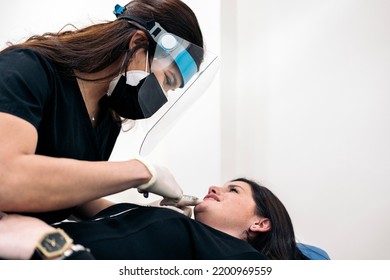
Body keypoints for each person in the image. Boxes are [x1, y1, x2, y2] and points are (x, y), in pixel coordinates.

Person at [0, 0, 212, 224]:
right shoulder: (28, 69)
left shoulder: (108, 117)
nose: (164, 95)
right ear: (138, 43)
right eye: (167, 80)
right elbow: (7, 176)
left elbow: (76, 196)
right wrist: (141, 172)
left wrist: (145, 215)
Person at [0, 178, 313, 260]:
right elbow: (91, 206)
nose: (214, 187)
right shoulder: (190, 233)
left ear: (260, 223)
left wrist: (53, 250)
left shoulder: (243, 261)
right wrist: (138, 178)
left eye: (233, 190)